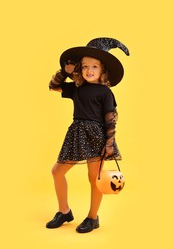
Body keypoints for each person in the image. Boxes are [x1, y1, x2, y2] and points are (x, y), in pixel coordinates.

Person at [46, 37, 129, 233]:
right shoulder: (76, 88)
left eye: (94, 66)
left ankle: (93, 217)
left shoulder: (105, 93)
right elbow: (53, 86)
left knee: (94, 178)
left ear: (103, 71)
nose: (89, 70)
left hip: (96, 136)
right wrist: (63, 73)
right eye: (84, 66)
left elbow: (110, 119)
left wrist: (109, 144)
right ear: (79, 69)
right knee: (57, 171)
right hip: (76, 134)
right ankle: (64, 211)